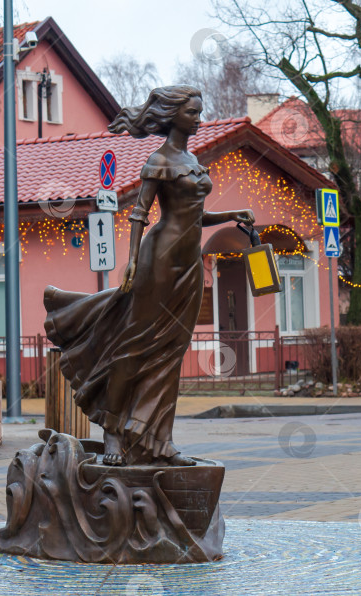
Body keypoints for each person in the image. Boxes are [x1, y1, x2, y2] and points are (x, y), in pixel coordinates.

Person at [43, 86, 255, 467]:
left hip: (188, 266)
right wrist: (130, 263)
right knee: (135, 346)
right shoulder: (158, 160)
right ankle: (112, 430)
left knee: (169, 354)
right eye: (193, 113)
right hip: (156, 262)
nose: (199, 119)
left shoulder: (192, 159)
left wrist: (232, 215)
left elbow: (193, 218)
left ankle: (160, 440)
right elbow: (140, 213)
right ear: (174, 116)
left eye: (200, 112)